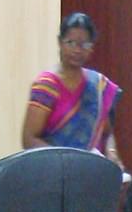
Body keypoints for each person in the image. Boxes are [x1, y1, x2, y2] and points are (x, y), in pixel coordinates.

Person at [22, 11, 122, 163]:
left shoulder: (98, 84)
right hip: (52, 172)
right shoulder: (46, 85)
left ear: (91, 48)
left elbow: (106, 133)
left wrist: (112, 154)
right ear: (60, 42)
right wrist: (65, 162)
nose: (77, 50)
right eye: (71, 42)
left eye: (84, 44)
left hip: (89, 172)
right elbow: (29, 139)